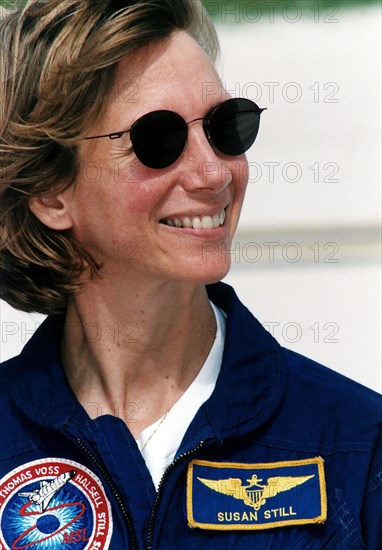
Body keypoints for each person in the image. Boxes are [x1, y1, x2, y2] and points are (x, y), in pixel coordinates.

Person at [0, 1, 381, 548]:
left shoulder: (356, 446)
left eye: (227, 127)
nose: (213, 172)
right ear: (49, 191)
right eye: (159, 139)